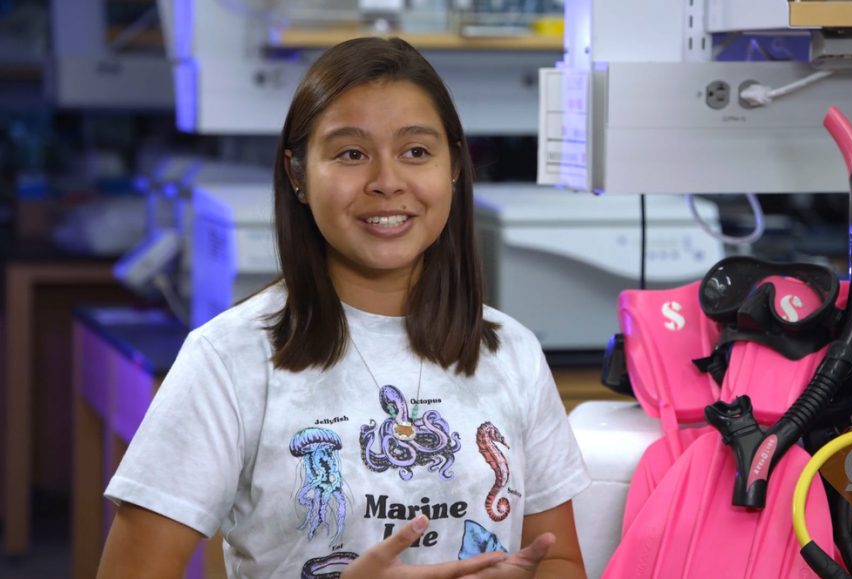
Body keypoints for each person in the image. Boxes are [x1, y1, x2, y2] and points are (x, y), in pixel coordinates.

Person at [97, 37, 590, 579]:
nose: (387, 182)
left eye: (416, 152)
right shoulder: (227, 359)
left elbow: (557, 558)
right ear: (298, 175)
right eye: (351, 154)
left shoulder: (513, 352)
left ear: (454, 165)